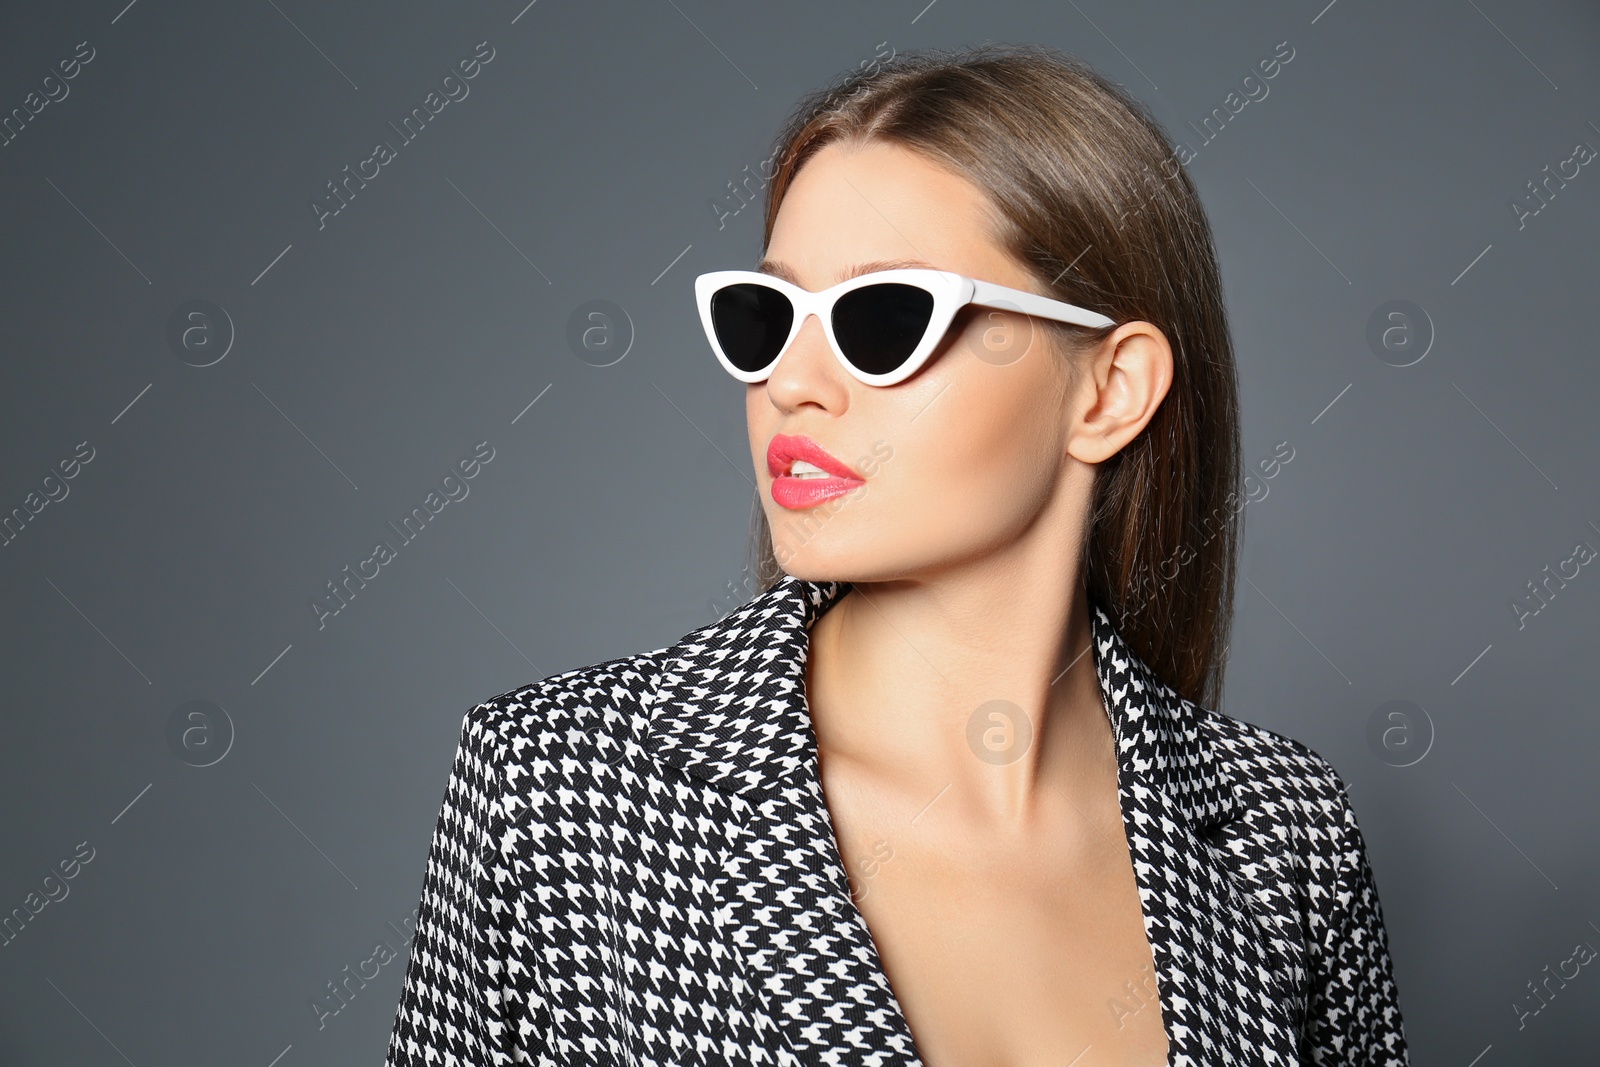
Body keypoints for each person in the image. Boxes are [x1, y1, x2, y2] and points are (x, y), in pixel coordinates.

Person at [384, 43, 1408, 1066]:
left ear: (1107, 391)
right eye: (768, 315)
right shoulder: (561, 790)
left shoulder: (1286, 832)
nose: (794, 382)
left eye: (886, 318)